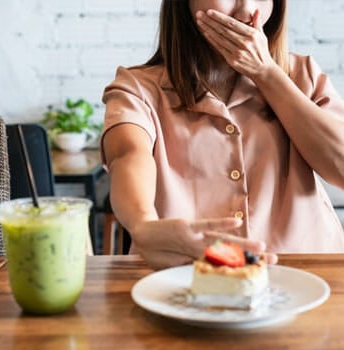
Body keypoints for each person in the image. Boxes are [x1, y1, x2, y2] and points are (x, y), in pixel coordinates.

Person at [101, 0, 344, 269]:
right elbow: (127, 155)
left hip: (310, 274)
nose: (248, 11)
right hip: (183, 279)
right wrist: (143, 224)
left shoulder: (303, 74)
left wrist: (266, 73)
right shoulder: (138, 88)